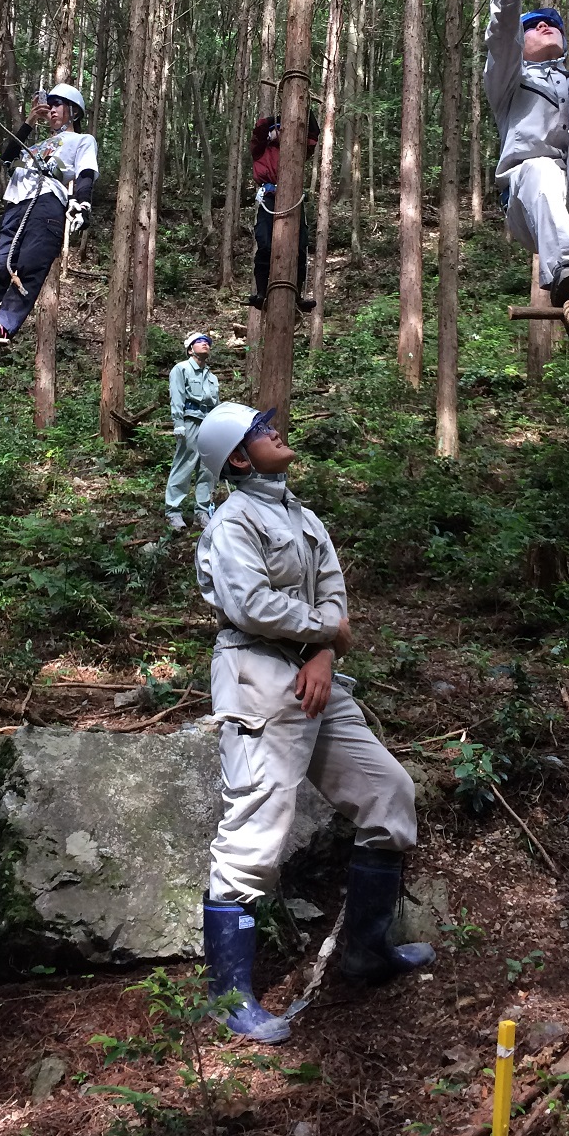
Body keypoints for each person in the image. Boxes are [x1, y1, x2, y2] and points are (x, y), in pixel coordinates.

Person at [193, 402, 434, 1044]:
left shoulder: (303, 516)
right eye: (259, 431)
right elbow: (248, 604)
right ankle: (229, 999)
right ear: (239, 458)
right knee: (254, 831)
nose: (275, 431)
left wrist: (326, 650)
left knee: (389, 793)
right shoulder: (232, 519)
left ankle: (365, 952)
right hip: (259, 681)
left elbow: (333, 593)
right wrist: (325, 634)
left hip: (315, 678)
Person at [483, 0, 569, 307]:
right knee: (541, 168)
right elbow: (502, 26)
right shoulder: (510, 79)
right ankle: (566, 272)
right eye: (535, 24)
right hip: (531, 200)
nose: (546, 25)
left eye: (553, 22)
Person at [0, 83, 98, 349]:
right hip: (16, 203)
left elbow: (86, 172)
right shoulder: (35, 146)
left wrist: (82, 203)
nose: (52, 110)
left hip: (47, 204)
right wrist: (31, 119)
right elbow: (6, 158)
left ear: (73, 112)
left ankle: (4, 325)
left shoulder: (81, 140)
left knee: (31, 265)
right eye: (50, 104)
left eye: (58, 105)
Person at [250, 110, 320, 312]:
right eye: (277, 130)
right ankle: (262, 292)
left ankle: (296, 294)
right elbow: (260, 128)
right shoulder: (261, 150)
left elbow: (313, 136)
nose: (280, 132)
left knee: (299, 247)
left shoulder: (297, 149)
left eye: (283, 129)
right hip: (269, 198)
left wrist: (307, 108)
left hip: (293, 199)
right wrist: (279, 118)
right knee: (265, 243)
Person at [165, 332, 220, 532]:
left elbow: (216, 404)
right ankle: (173, 511)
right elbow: (177, 396)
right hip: (190, 421)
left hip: (209, 424)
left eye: (207, 342)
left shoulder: (212, 377)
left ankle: (202, 511)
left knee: (207, 468)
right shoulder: (181, 369)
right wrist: (178, 422)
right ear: (190, 349)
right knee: (185, 464)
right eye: (200, 342)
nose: (205, 344)